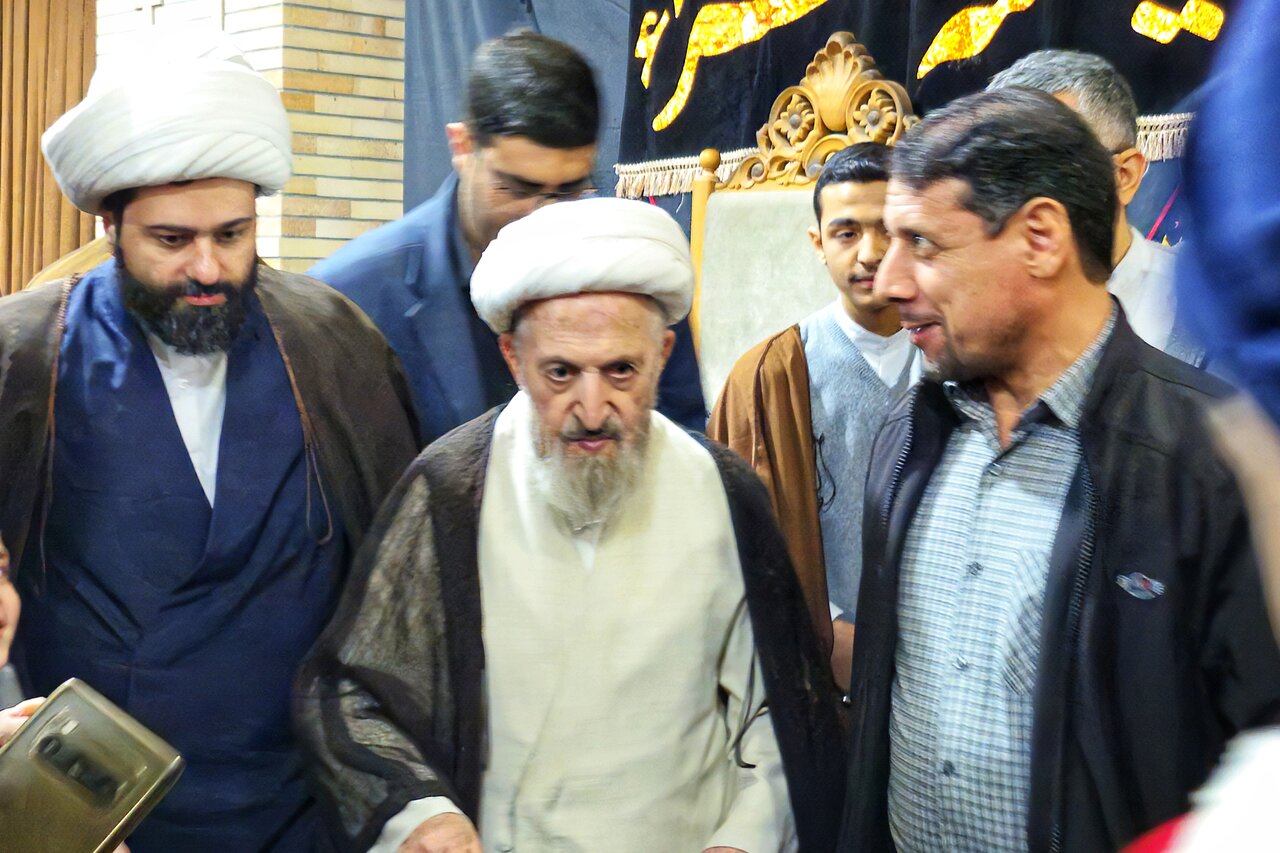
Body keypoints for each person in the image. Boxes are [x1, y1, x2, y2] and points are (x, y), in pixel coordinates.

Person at [296, 198, 844, 853]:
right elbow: (353, 693)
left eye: (621, 371)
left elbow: (782, 711)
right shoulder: (452, 490)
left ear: (663, 354)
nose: (591, 407)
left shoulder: (721, 489)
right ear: (512, 357)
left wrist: (746, 838)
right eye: (560, 372)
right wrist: (425, 818)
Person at [0, 36, 420, 852]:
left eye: (232, 234)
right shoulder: (26, 357)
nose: (208, 268)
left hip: (298, 807)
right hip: (91, 813)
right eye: (171, 239)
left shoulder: (335, 342)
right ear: (109, 224)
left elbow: (395, 588)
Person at [837, 88, 1280, 853]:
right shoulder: (908, 431)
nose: (889, 280)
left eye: (924, 244)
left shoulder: (1212, 459)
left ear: (1041, 238)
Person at [309, 30, 706, 443]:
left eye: (569, 190)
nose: (543, 213)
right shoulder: (351, 298)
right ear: (462, 146)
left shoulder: (637, 272)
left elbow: (683, 444)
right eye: (517, 188)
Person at [708, 142, 919, 686]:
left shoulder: (963, 364)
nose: (870, 253)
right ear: (818, 243)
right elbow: (737, 540)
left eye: (889, 230)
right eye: (847, 233)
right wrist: (824, 628)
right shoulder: (768, 379)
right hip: (817, 667)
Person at [989, 49, 1204, 364]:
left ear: (1125, 176)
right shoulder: (960, 309)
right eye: (996, 171)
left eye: (1049, 166)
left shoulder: (1217, 307)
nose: (1016, 195)